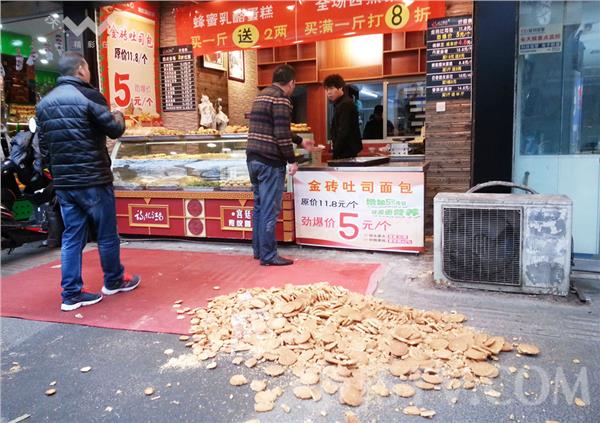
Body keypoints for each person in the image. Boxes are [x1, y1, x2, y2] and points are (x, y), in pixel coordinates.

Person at [36, 51, 140, 311]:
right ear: (81, 69)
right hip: (93, 179)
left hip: (65, 184)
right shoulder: (89, 95)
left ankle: (71, 294)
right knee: (106, 234)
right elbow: (114, 129)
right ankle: (114, 280)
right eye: (87, 68)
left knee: (72, 237)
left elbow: (44, 149)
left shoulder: (44, 104)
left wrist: (58, 175)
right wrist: (119, 113)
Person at [246, 64, 314, 266]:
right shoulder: (281, 99)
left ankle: (259, 251)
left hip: (253, 160)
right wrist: (292, 160)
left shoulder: (261, 96)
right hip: (269, 162)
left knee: (259, 207)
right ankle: (268, 255)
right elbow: (281, 134)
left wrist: (300, 140)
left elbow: (276, 127)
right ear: (292, 82)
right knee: (269, 209)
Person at [324, 74, 362, 159]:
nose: (328, 92)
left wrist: (335, 152)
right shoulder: (339, 104)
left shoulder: (345, 104)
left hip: (346, 151)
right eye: (327, 89)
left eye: (331, 88)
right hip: (344, 150)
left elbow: (343, 131)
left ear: (340, 87)